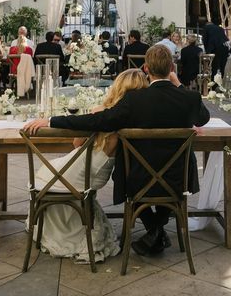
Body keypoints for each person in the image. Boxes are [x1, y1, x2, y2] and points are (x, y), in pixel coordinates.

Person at [25, 44, 210, 257]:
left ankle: (155, 230)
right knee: (166, 183)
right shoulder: (189, 98)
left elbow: (97, 120)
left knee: (138, 179)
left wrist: (50, 120)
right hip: (178, 178)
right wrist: (177, 84)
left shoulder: (134, 100)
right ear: (172, 67)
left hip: (138, 178)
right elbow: (203, 118)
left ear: (146, 69)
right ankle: (157, 230)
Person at [32, 69, 148, 262]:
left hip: (81, 170)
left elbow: (76, 143)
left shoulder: (102, 112)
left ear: (118, 87)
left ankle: (61, 231)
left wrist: (51, 121)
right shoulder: (138, 117)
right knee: (58, 176)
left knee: (44, 174)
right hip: (99, 173)